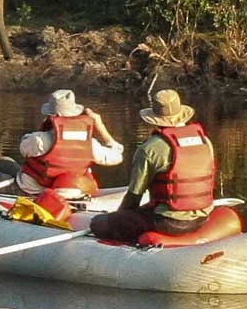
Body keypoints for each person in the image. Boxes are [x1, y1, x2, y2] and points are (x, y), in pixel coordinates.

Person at [90, 89, 215, 243]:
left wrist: (118, 219)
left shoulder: (149, 148)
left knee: (98, 223)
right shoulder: (205, 141)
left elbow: (134, 196)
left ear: (154, 119)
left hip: (169, 223)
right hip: (202, 217)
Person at [0, 89, 124, 198]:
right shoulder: (90, 144)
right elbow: (117, 156)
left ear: (51, 116)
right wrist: (100, 127)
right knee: (4, 162)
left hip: (28, 190)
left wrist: (44, 128)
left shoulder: (40, 140)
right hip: (58, 187)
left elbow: (24, 149)